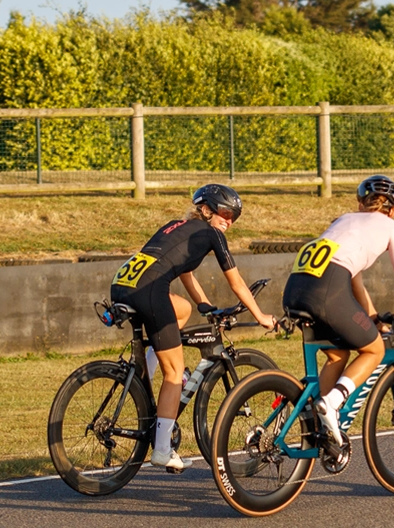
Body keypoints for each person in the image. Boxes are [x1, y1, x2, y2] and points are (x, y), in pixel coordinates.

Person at [110, 182, 275, 471]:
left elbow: (183, 271)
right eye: (225, 213)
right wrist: (261, 316)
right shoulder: (212, 234)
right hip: (149, 292)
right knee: (175, 373)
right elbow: (235, 282)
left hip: (122, 285)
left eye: (234, 217)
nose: (229, 221)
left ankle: (143, 381)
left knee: (183, 309)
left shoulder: (176, 226)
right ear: (206, 209)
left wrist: (203, 304)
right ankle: (162, 450)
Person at [283, 174, 394, 453]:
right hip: (327, 288)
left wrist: (372, 317)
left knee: (337, 356)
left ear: (361, 204)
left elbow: (355, 280)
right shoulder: (391, 226)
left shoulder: (342, 220)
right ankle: (332, 404)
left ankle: (323, 427)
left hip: (295, 287)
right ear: (393, 209)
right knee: (374, 349)